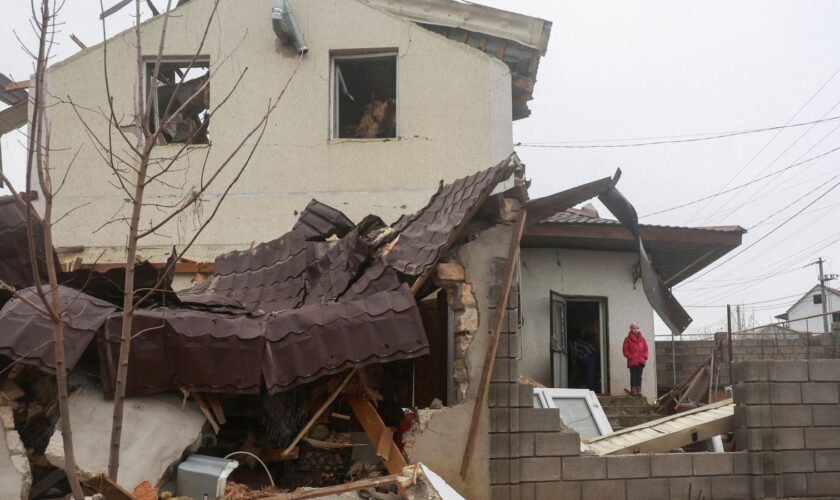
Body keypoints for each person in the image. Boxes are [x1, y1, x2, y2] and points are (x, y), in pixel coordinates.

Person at [622, 322, 648, 396]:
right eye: (634, 328)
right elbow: (625, 350)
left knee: (639, 376)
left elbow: (646, 349)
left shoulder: (642, 339)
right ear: (631, 329)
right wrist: (630, 357)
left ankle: (639, 390)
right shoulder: (627, 339)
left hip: (641, 361)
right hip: (632, 361)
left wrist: (644, 357)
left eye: (637, 328)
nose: (635, 329)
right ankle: (633, 390)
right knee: (633, 376)